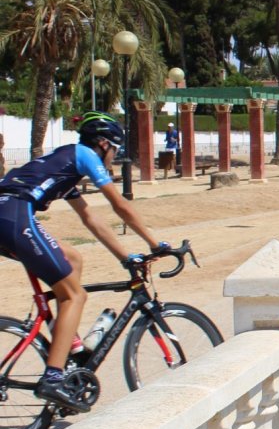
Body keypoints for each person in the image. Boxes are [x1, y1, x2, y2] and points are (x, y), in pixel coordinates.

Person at [0, 113, 166, 412]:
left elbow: (90, 218)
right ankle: (52, 378)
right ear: (103, 144)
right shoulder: (85, 155)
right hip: (14, 215)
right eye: (114, 150)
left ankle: (71, 346)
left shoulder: (66, 164)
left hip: (7, 217)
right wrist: (156, 244)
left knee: (73, 258)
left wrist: (125, 257)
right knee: (75, 294)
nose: (114, 157)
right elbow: (120, 205)